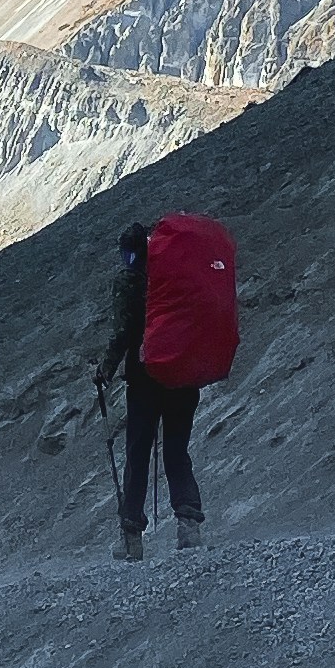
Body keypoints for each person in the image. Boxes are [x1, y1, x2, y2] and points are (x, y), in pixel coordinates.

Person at [95, 214, 217, 558]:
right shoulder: (179, 277)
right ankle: (189, 526)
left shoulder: (129, 283)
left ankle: (132, 537)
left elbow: (123, 333)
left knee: (138, 452)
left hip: (145, 378)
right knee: (177, 451)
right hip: (182, 373)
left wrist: (105, 369)